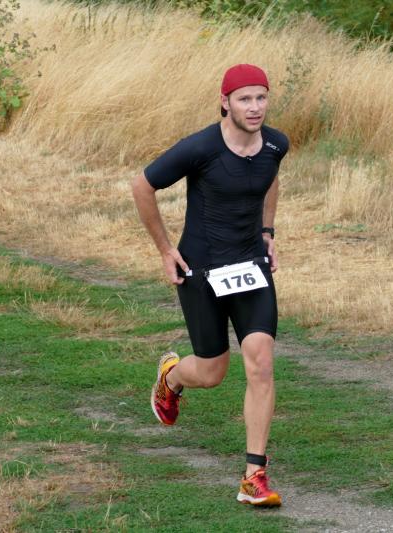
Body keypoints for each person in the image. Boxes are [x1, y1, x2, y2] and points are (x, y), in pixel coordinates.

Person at [131, 63, 288, 507]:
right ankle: (171, 376)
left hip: (250, 267)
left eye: (261, 97)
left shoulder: (275, 144)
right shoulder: (200, 147)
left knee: (261, 361)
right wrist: (165, 250)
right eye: (244, 99)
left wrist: (268, 231)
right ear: (225, 102)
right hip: (201, 270)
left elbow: (270, 177)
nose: (254, 107)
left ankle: (253, 476)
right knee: (212, 372)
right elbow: (142, 186)